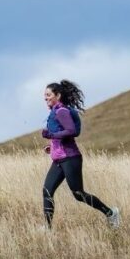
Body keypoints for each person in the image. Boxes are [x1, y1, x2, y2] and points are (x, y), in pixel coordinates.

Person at [40, 80, 121, 229]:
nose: (45, 98)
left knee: (78, 194)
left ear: (57, 95)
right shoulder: (54, 112)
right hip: (59, 159)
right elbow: (61, 135)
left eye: (48, 95)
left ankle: (111, 213)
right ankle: (47, 229)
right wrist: (51, 146)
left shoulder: (61, 111)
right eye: (44, 95)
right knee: (47, 190)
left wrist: (51, 135)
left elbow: (71, 131)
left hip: (70, 159)